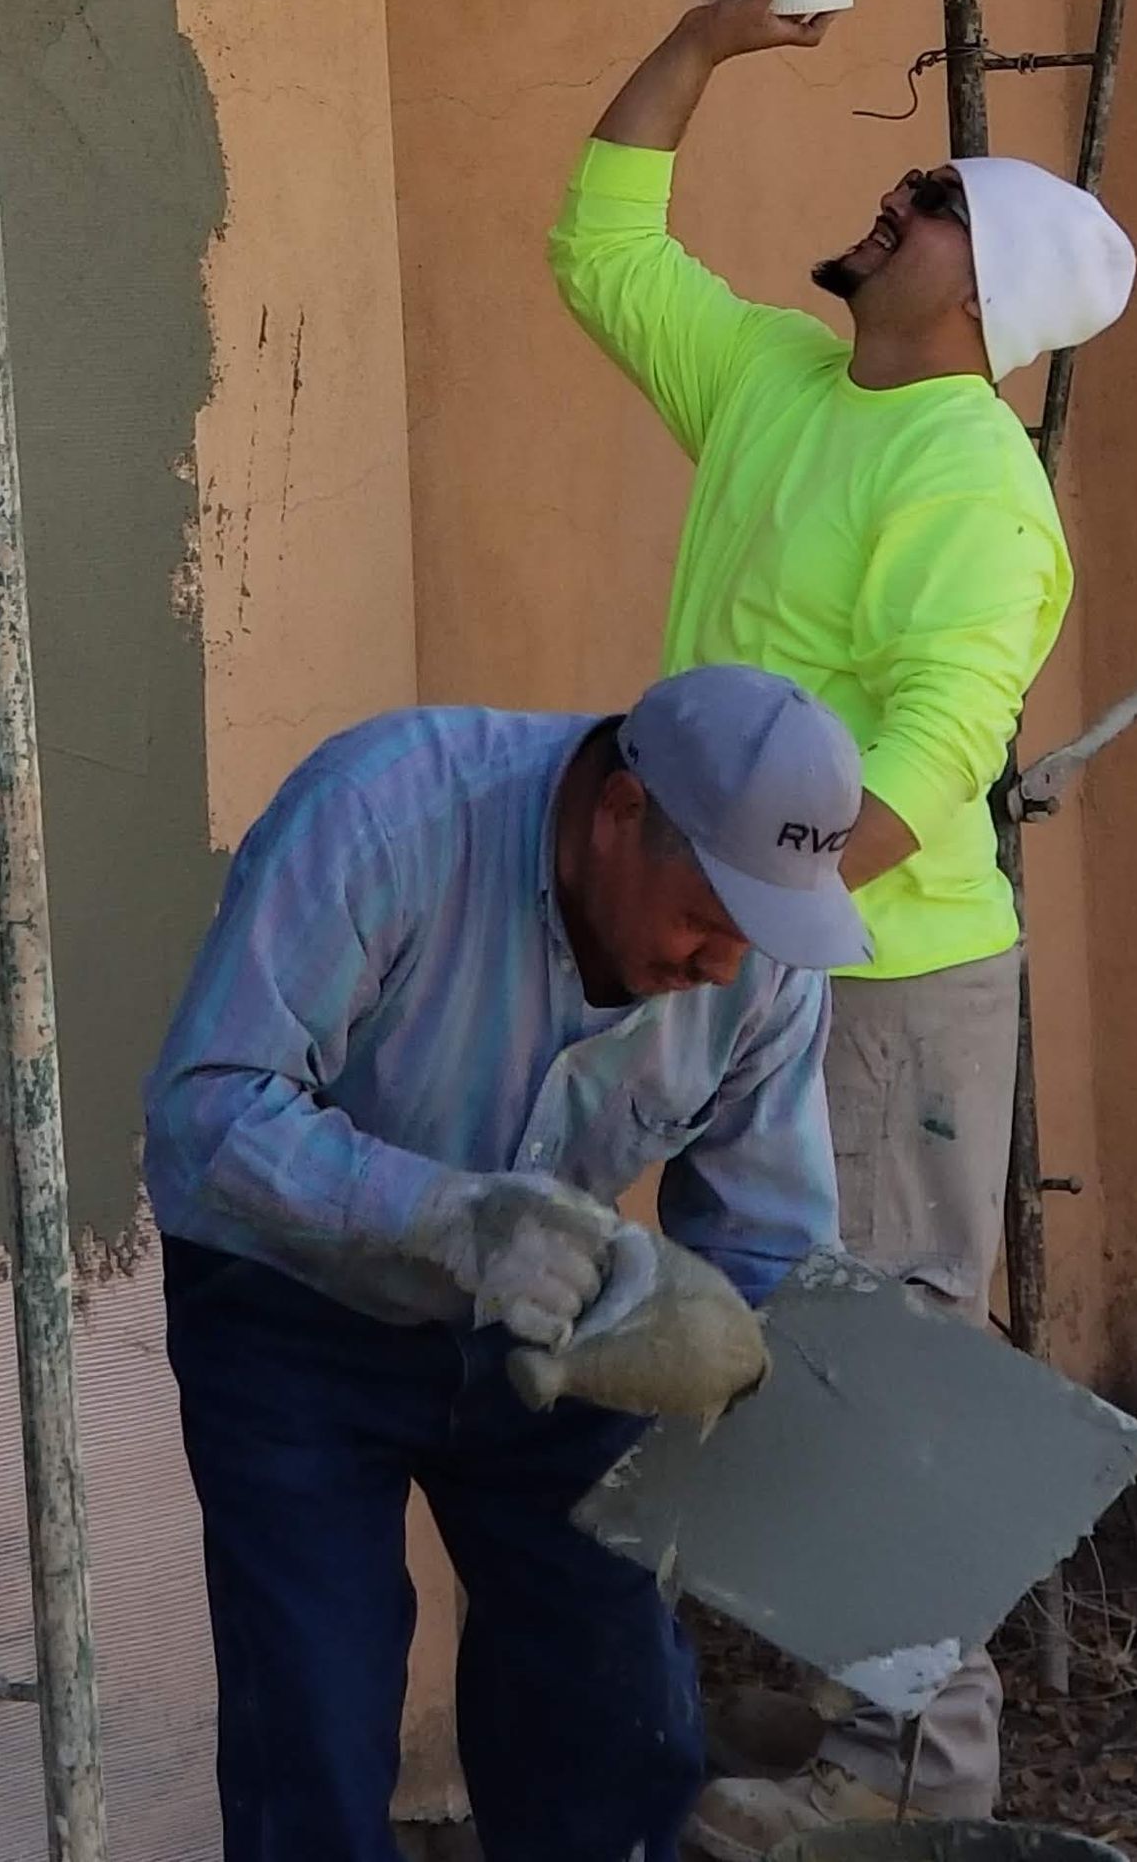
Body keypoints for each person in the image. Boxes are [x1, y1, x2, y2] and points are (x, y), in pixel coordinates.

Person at [548, 0, 1137, 1853]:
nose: (894, 201)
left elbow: (922, 773)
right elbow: (602, 248)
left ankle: (917, 1778)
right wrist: (701, 46)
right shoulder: (786, 381)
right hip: (748, 944)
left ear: (978, 294)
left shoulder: (976, 486)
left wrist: (736, 924)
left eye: (931, 204)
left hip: (882, 977)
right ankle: (840, 1713)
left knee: (884, 1361)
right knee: (757, 1334)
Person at [145, 662, 870, 1862]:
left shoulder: (766, 965)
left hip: (564, 1316)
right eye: (706, 917)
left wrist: (750, 1414)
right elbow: (204, 1114)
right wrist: (448, 1217)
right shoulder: (385, 814)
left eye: (758, 934)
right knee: (315, 1731)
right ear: (621, 811)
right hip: (292, 1306)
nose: (724, 966)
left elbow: (764, 1244)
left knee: (615, 1713)